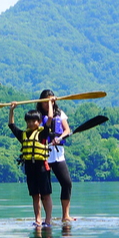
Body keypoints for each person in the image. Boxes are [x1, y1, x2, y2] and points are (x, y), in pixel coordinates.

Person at [9, 100, 54, 227]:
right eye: (28, 121)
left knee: (45, 194)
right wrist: (12, 110)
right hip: (30, 167)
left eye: (34, 121)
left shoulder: (43, 133)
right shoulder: (23, 135)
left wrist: (50, 103)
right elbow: (11, 125)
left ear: (39, 122)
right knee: (35, 195)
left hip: (42, 167)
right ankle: (38, 219)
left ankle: (48, 219)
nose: (31, 123)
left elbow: (50, 117)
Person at [36, 90, 75, 221]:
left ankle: (65, 215)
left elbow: (67, 130)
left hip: (58, 155)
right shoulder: (38, 116)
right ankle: (47, 217)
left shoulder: (60, 113)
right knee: (45, 188)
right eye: (46, 102)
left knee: (67, 183)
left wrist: (60, 138)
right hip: (44, 155)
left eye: (51, 101)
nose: (48, 104)